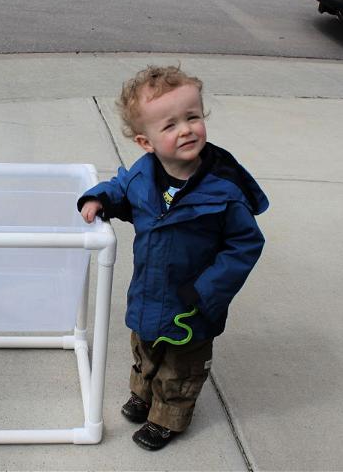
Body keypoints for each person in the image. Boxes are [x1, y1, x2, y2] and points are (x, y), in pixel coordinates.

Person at [78, 65, 269, 451]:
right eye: (170, 125)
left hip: (193, 300)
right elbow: (120, 190)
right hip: (150, 289)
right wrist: (99, 198)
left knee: (181, 367)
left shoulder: (223, 191)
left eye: (192, 117)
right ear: (145, 142)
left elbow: (245, 244)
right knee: (145, 349)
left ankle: (168, 418)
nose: (185, 129)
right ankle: (142, 395)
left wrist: (206, 291)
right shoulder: (143, 176)